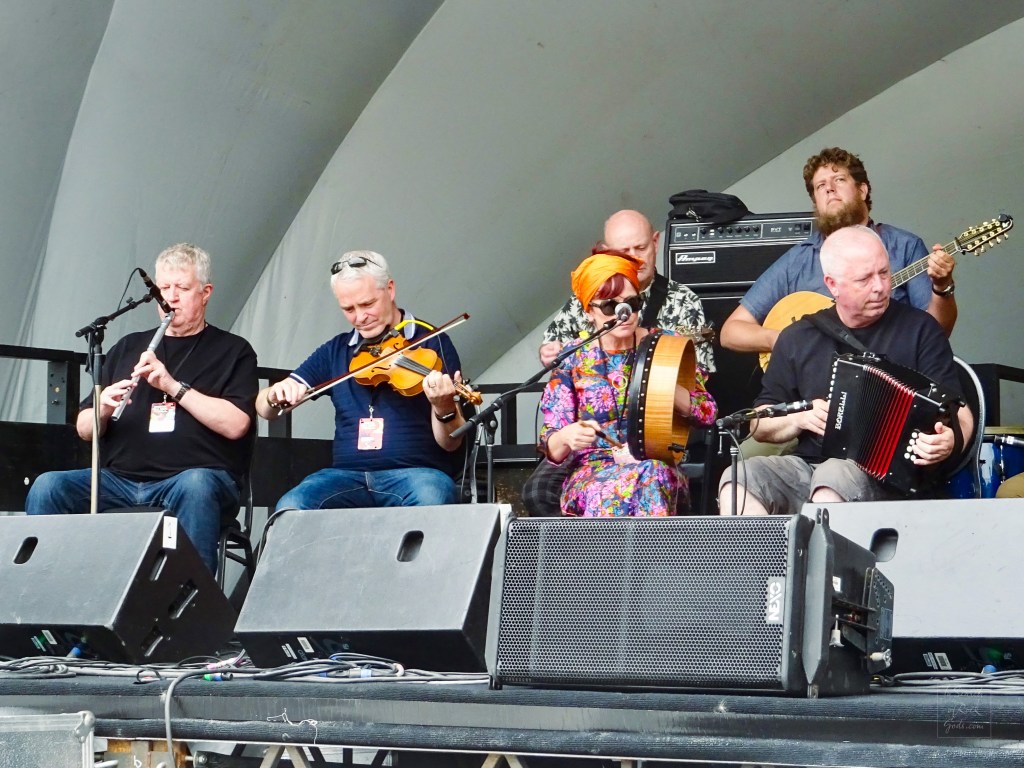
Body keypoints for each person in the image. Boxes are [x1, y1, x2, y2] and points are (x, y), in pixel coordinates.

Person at [26, 243, 258, 573]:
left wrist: (172, 387)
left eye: (182, 288)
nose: (170, 298)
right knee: (49, 487)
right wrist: (102, 409)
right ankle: (47, 609)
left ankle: (189, 612)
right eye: (163, 288)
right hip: (119, 481)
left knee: (197, 484)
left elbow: (236, 424)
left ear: (205, 293)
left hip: (189, 483)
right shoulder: (129, 347)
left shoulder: (234, 351)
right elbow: (84, 429)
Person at [717, 226, 973, 515]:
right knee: (739, 478)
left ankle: (822, 561)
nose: (880, 286)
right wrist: (799, 418)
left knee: (834, 476)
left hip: (892, 480)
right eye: (864, 279)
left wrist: (949, 441)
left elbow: (960, 412)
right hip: (808, 468)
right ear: (832, 284)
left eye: (884, 273)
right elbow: (759, 425)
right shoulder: (797, 337)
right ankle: (766, 562)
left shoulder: (920, 329)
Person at [258, 250, 467, 511]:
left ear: (389, 290)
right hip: (346, 477)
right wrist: (275, 394)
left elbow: (451, 442)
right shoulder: (337, 350)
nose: (359, 317)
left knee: (432, 495)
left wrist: (443, 406)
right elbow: (265, 410)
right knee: (292, 504)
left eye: (367, 304)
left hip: (415, 474)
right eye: (348, 309)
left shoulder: (432, 342)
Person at [720, 146, 957, 356]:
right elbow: (731, 332)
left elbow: (937, 333)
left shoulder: (904, 246)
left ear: (863, 190)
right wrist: (788, 340)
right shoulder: (798, 261)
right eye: (820, 186)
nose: (829, 189)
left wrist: (942, 288)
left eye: (839, 180)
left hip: (890, 372)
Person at [539, 251, 717, 516]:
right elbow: (552, 448)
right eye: (610, 307)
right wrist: (566, 436)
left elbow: (708, 412)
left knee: (653, 473)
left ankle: (644, 558)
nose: (624, 313)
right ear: (589, 311)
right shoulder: (573, 356)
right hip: (593, 471)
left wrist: (670, 391)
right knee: (608, 491)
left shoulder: (665, 345)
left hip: (655, 464)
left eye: (631, 303)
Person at [539, 209, 715, 373]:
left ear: (655, 242)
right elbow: (553, 345)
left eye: (641, 248)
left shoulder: (684, 300)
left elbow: (698, 372)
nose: (634, 258)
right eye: (624, 251)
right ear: (606, 252)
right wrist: (548, 352)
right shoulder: (589, 298)